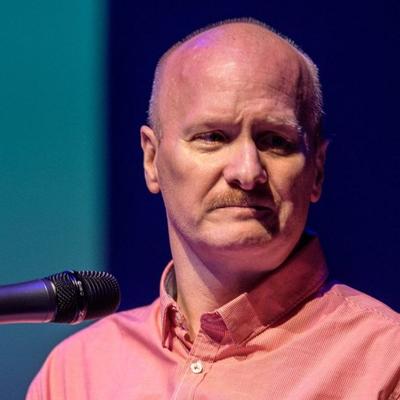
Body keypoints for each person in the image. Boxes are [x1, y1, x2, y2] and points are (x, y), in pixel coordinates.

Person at [27, 18, 400, 399]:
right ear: (151, 160)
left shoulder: (386, 363)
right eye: (213, 137)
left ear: (316, 170)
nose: (247, 172)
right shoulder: (74, 373)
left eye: (275, 141)